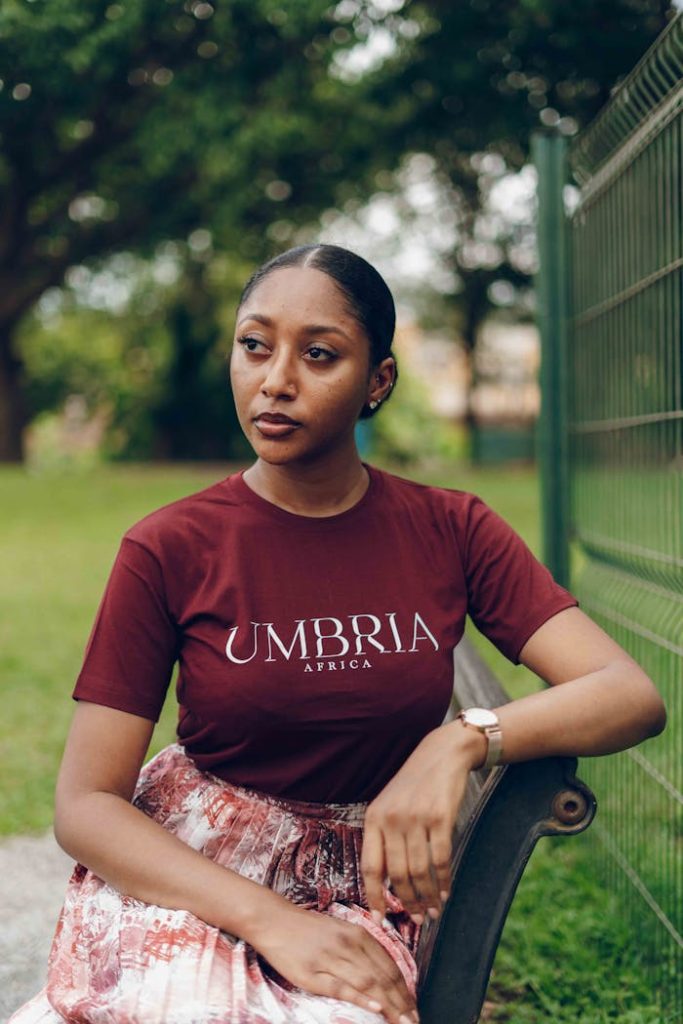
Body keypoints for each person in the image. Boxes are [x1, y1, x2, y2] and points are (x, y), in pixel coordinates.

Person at [10, 243, 666, 1024]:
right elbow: (86, 805)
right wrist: (269, 921)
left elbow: (627, 694)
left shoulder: (450, 530)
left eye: (318, 355)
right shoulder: (170, 547)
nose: (275, 380)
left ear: (376, 383)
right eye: (254, 346)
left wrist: (456, 742)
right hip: (195, 870)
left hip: (359, 889)